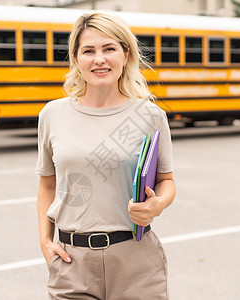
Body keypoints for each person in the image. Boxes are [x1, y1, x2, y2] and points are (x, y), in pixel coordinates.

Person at [36, 11, 175, 300]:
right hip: (71, 262)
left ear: (125, 55)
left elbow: (167, 181)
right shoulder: (52, 114)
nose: (99, 59)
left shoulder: (149, 116)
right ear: (76, 59)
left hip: (135, 260)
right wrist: (45, 241)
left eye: (109, 48)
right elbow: (47, 186)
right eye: (89, 51)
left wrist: (157, 204)